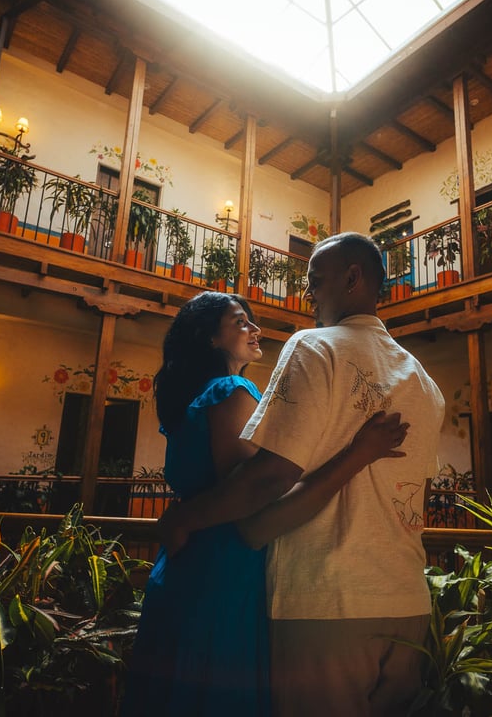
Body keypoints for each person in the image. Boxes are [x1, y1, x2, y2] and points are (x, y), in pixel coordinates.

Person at [163, 234, 445, 716]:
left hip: (327, 601)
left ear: (352, 278)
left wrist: (187, 517)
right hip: (407, 598)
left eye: (315, 281)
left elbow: (267, 478)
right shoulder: (424, 381)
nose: (309, 294)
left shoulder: (314, 347)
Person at [121, 291, 409, 717]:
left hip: (186, 562)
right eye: (241, 322)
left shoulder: (195, 399)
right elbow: (256, 493)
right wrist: (358, 452)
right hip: (225, 565)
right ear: (210, 339)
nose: (255, 329)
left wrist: (182, 518)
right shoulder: (230, 390)